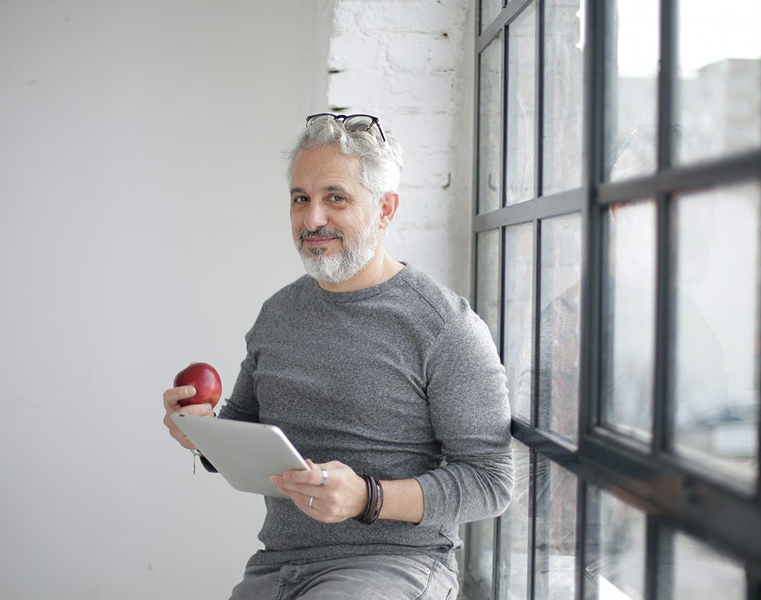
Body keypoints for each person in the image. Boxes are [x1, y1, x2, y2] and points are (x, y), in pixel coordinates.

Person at [162, 113, 513, 599]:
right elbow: (243, 433)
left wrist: (369, 497)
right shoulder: (278, 313)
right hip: (276, 567)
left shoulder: (444, 327)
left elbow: (491, 482)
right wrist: (201, 432)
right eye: (300, 199)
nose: (312, 220)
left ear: (385, 209)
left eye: (336, 198)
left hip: (395, 566)